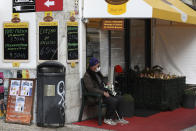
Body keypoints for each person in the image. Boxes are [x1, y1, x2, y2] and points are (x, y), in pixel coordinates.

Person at [83, 57, 129, 125]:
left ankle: (119, 118)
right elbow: (91, 89)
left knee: (119, 98)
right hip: (96, 96)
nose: (98, 67)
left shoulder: (97, 72)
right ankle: (107, 118)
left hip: (103, 92)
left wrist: (106, 84)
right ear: (92, 66)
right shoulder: (87, 75)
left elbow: (102, 81)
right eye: (97, 65)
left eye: (99, 65)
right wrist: (103, 92)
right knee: (113, 100)